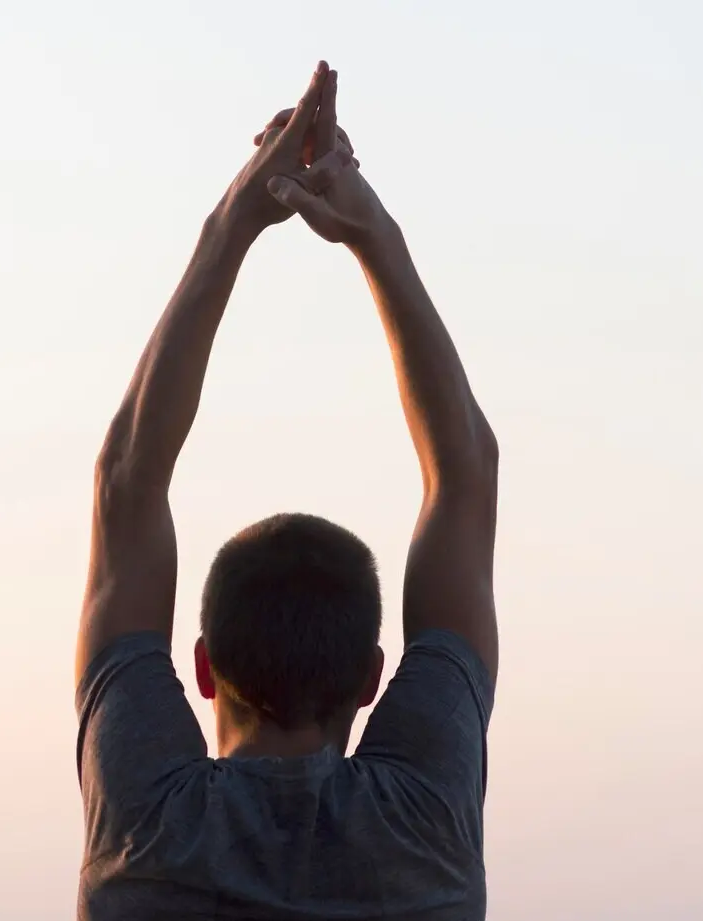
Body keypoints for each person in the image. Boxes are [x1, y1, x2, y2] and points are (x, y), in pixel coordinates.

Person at [75, 61, 500, 920]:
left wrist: (236, 218)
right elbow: (463, 474)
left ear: (204, 667)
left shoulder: (146, 829)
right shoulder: (424, 829)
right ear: (372, 677)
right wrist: (372, 234)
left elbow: (127, 480)